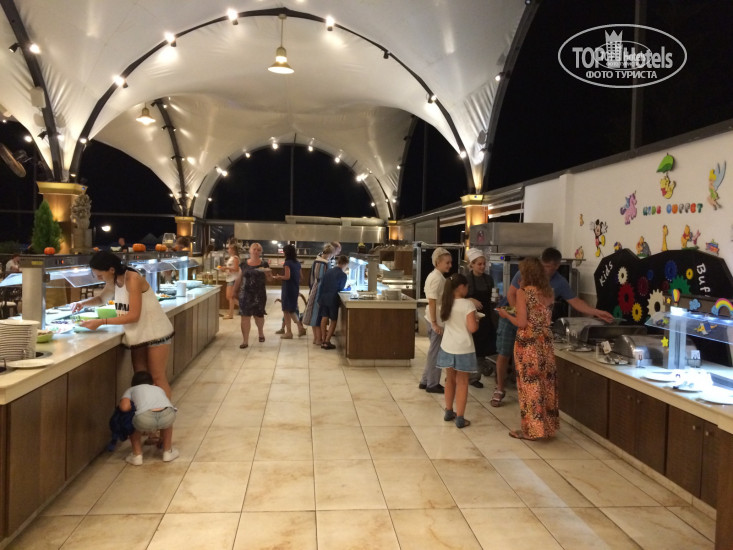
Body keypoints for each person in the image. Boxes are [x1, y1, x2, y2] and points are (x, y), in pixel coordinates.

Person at [491, 247, 614, 407]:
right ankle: (500, 389)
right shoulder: (525, 274)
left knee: (528, 365)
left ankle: (530, 400)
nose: (546, 269)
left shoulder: (558, 282)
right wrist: (518, 312)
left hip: (530, 328)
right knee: (504, 353)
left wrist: (597, 312)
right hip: (512, 318)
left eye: (550, 267)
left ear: (556, 266)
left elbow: (575, 302)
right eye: (544, 265)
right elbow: (511, 294)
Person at [72, 250, 174, 397]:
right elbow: (102, 299)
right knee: (141, 378)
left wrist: (101, 322)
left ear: (111, 270)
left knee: (157, 377)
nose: (99, 279)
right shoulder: (113, 280)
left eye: (100, 275)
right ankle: (146, 410)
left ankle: (165, 411)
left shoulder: (132, 279)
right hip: (138, 334)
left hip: (156, 332)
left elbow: (133, 315)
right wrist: (82, 303)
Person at [496, 257, 559, 440]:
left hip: (528, 343)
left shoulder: (523, 292)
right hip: (545, 342)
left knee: (529, 386)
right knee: (546, 384)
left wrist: (506, 315)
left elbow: (522, 322)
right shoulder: (549, 292)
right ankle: (547, 428)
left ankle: (531, 431)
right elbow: (540, 317)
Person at [437, 273, 479, 428]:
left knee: (449, 380)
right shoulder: (468, 305)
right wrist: (477, 320)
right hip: (463, 348)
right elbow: (472, 328)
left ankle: (448, 411)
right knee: (462, 382)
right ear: (461, 287)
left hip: (447, 346)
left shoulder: (446, 303)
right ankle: (460, 418)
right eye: (467, 287)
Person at [119, 371, 178, 465]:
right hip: (167, 415)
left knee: (130, 419)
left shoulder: (131, 390)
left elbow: (124, 407)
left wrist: (134, 407)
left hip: (145, 418)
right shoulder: (158, 388)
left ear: (133, 384)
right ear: (153, 383)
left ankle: (137, 455)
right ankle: (167, 452)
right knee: (167, 418)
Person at [418, 247, 452, 394]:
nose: (450, 265)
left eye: (450, 262)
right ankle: (432, 384)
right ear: (438, 262)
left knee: (433, 351)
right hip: (435, 319)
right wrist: (434, 323)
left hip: (435, 318)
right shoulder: (436, 278)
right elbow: (432, 302)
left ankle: (425, 380)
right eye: (447, 262)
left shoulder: (437, 276)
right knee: (435, 353)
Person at [464, 248, 495, 388]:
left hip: (486, 317)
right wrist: (470, 299)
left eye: (484, 264)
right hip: (472, 318)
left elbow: (492, 296)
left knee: (483, 347)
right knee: (473, 347)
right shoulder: (466, 280)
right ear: (471, 264)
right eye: (479, 264)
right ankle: (473, 377)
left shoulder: (489, 279)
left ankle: (483, 367)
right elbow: (458, 299)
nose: (482, 267)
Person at [232, 242, 271, 348]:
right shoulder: (243, 264)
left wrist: (268, 273)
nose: (256, 251)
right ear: (250, 251)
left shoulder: (264, 264)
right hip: (245, 293)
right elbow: (239, 278)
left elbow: (269, 279)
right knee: (245, 316)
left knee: (259, 315)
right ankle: (245, 341)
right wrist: (234, 290)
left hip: (259, 294)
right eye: (254, 249)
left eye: (258, 250)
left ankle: (260, 332)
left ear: (261, 252)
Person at [301, 243, 335, 344]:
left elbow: (312, 277)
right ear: (331, 254)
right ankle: (319, 339)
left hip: (314, 288)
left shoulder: (316, 261)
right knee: (319, 315)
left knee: (313, 314)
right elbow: (328, 279)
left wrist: (312, 289)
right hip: (322, 290)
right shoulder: (327, 263)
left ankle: (315, 338)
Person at [273, 244, 306, 339]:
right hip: (295, 288)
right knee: (291, 310)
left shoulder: (287, 263)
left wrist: (279, 277)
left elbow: (287, 277)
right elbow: (301, 278)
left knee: (286, 310)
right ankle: (300, 328)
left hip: (287, 289)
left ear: (286, 253)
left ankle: (289, 332)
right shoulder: (297, 263)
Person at [317, 255, 349, 350]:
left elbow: (322, 285)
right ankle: (327, 342)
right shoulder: (343, 275)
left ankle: (323, 340)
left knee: (324, 318)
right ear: (345, 264)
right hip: (333, 299)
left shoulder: (328, 271)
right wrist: (348, 289)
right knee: (333, 320)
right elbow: (341, 288)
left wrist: (319, 298)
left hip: (324, 297)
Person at [218, 243, 240, 319]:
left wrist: (227, 268)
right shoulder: (231, 258)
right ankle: (241, 308)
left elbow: (236, 269)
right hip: (229, 278)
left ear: (233, 250)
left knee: (230, 297)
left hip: (233, 279)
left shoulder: (235, 258)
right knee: (229, 297)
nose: (228, 250)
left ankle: (231, 314)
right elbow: (231, 268)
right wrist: (224, 269)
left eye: (229, 248)